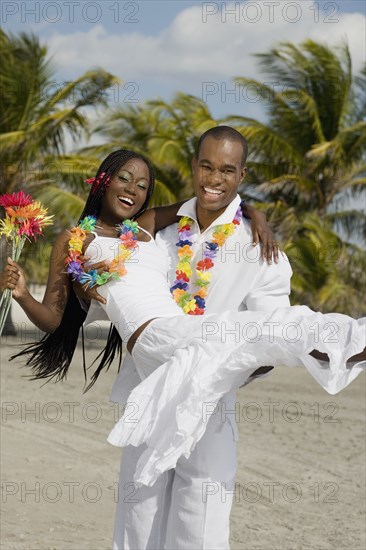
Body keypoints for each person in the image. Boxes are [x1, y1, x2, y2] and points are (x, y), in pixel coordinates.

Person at [74, 128, 364, 550]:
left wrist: (220, 371)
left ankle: (351, 341)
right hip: (149, 391)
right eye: (206, 166)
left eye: (227, 170)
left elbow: (272, 332)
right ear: (194, 167)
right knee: (139, 519)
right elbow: (115, 286)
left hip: (214, 406)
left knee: (202, 523)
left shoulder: (258, 248)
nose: (214, 178)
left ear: (241, 175)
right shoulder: (157, 234)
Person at [0, 147, 274, 385]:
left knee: (238, 345)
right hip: (151, 335)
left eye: (142, 186)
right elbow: (51, 320)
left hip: (180, 326)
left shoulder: (146, 225)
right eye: (124, 179)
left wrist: (255, 214)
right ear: (104, 181)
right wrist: (22, 295)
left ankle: (278, 352)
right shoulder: (75, 239)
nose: (133, 189)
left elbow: (209, 203)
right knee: (244, 341)